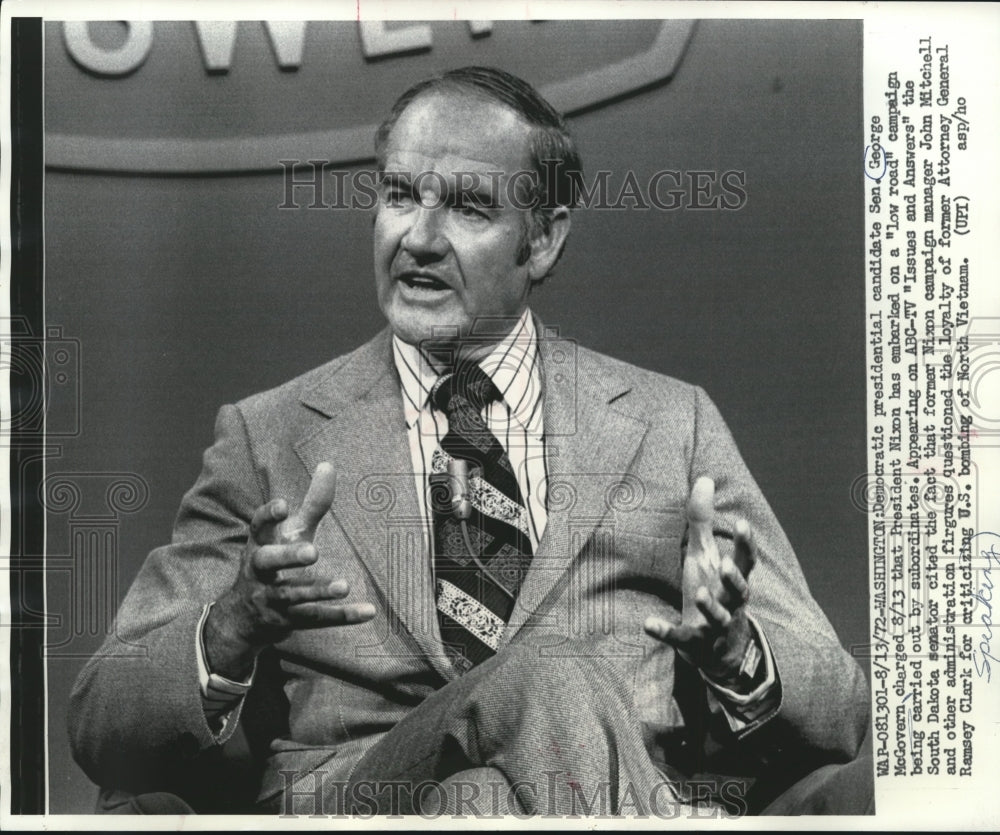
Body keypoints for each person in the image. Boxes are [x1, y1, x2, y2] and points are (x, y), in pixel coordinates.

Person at [68, 66, 871, 817]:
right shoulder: (270, 433)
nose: (417, 238)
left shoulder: (670, 424)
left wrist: (736, 652)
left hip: (565, 798)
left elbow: (842, 707)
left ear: (544, 240)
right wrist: (234, 620)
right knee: (545, 669)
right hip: (367, 800)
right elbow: (102, 714)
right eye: (398, 195)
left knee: (481, 797)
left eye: (468, 207)